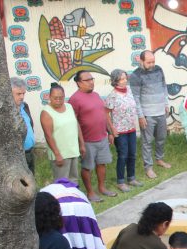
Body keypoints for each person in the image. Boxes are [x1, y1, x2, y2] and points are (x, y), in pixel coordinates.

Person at [41, 178, 109, 249]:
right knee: (85, 246)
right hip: (82, 209)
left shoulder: (45, 190)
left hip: (59, 208)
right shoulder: (78, 191)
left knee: (67, 248)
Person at [69, 70, 117, 202]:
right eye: (87, 80)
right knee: (87, 167)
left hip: (102, 137)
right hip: (87, 140)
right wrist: (81, 143)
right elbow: (74, 122)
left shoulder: (96, 95)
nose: (91, 82)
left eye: (92, 79)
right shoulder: (75, 99)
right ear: (79, 83)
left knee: (101, 164)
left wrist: (109, 132)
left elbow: (103, 115)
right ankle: (90, 192)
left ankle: (102, 188)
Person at [129, 50, 171, 180]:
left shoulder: (158, 69)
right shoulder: (136, 75)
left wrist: (166, 103)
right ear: (141, 61)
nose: (152, 64)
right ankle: (148, 167)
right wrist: (141, 116)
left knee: (161, 137)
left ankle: (159, 159)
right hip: (147, 114)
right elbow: (135, 97)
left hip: (160, 111)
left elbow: (164, 87)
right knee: (147, 141)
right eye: (149, 62)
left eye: (153, 61)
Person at [105, 69, 142, 193]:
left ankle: (131, 178)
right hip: (119, 131)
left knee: (132, 154)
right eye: (122, 79)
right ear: (115, 81)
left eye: (125, 78)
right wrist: (112, 129)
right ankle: (120, 181)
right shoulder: (112, 95)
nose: (125, 80)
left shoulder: (130, 91)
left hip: (131, 128)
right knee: (123, 155)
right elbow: (106, 114)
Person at [40, 82, 85, 182]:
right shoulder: (46, 112)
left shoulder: (69, 107)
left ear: (64, 96)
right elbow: (48, 136)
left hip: (73, 151)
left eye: (61, 97)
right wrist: (57, 154)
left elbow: (76, 125)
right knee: (62, 182)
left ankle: (73, 197)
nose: (58, 100)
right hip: (60, 154)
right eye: (55, 97)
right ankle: (61, 198)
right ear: (49, 97)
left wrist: (81, 144)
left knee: (74, 179)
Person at [11, 77, 36, 174]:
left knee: (31, 180)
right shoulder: (5, 111)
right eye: (18, 94)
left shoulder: (24, 106)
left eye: (23, 93)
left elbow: (30, 125)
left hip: (29, 152)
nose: (22, 97)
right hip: (16, 156)